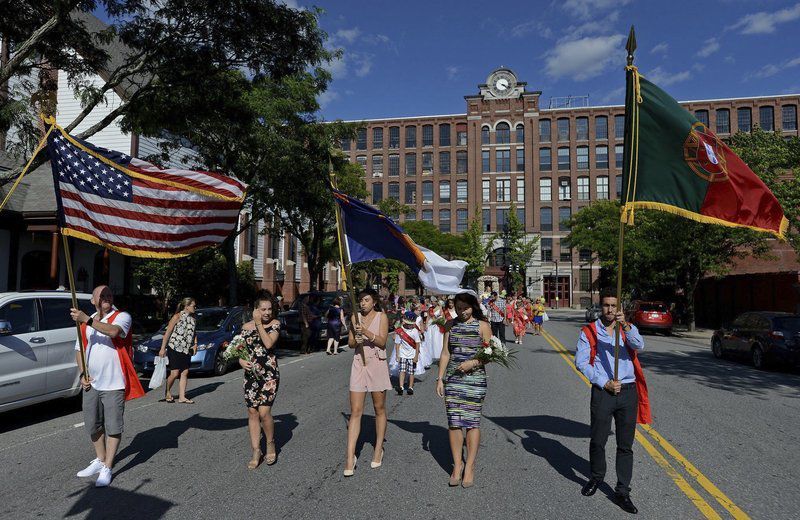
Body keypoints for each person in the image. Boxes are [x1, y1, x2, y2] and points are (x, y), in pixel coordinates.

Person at [574, 288, 651, 515]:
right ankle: (596, 477)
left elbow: (640, 346)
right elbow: (581, 362)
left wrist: (626, 326)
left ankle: (622, 491)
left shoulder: (627, 329)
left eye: (613, 306)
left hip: (628, 391)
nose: (609, 309)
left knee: (625, 445)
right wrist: (604, 381)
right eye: (606, 305)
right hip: (604, 391)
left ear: (619, 308)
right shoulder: (590, 331)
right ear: (601, 306)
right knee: (598, 440)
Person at [70, 285, 145, 487]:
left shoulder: (121, 316)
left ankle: (108, 466)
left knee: (113, 425)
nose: (107, 297)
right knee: (92, 423)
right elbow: (79, 349)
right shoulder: (86, 322)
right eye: (102, 295)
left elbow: (114, 332)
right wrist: (83, 373)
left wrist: (86, 319)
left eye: (109, 294)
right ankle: (100, 458)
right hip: (91, 383)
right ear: (93, 300)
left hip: (114, 382)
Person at [436, 292, 493, 488]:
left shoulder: (482, 326)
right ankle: (457, 465)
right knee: (454, 422)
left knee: (472, 422)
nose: (461, 312)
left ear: (473, 306)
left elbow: (490, 354)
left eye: (465, 308)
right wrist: (440, 379)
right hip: (453, 378)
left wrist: (473, 363)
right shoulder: (450, 325)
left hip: (475, 379)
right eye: (458, 308)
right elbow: (445, 353)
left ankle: (470, 465)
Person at [344, 288, 391, 476]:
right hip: (359, 364)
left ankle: (378, 447)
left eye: (366, 300)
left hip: (377, 363)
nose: (363, 303)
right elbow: (350, 344)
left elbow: (382, 342)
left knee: (379, 408)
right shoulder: (355, 318)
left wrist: (366, 332)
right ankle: (349, 456)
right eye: (361, 300)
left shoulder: (382, 316)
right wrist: (356, 338)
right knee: (356, 411)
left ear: (374, 302)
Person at [240, 294, 282, 469]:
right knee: (252, 412)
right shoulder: (245, 327)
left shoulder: (275, 325)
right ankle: (256, 449)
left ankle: (270, 443)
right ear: (255, 310)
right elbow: (240, 349)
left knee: (264, 413)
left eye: (269, 309)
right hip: (251, 376)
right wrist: (241, 361)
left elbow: (268, 344)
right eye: (263, 309)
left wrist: (258, 324)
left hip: (269, 374)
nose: (267, 312)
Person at [158, 297, 198, 403]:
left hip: (186, 349)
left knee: (185, 372)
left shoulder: (193, 318)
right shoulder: (177, 316)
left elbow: (194, 333)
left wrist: (195, 344)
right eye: (193, 306)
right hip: (174, 347)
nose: (195, 307)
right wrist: (162, 348)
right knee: (175, 373)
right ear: (186, 306)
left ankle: (182, 397)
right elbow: (167, 333)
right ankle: (167, 391)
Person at [394, 311, 422, 395]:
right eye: (407, 323)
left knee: (411, 371)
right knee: (402, 370)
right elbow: (397, 343)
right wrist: (397, 355)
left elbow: (417, 344)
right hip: (402, 354)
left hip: (412, 355)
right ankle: (401, 387)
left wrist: (416, 356)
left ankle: (410, 387)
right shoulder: (400, 331)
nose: (409, 325)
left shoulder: (415, 331)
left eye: (411, 324)